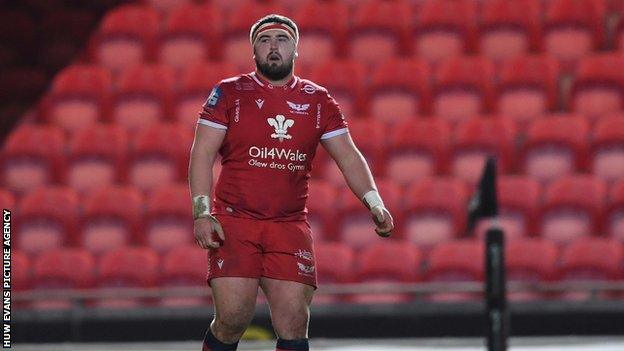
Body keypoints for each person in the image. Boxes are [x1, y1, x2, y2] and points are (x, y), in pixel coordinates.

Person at [189, 14, 394, 351]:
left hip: (288, 224)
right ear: (253, 50)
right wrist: (201, 211)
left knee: (294, 322)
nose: (273, 47)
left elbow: (349, 156)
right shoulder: (228, 93)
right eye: (265, 40)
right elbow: (202, 153)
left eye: (281, 40)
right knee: (233, 318)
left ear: (295, 49)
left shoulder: (318, 100)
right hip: (236, 221)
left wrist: (375, 202)